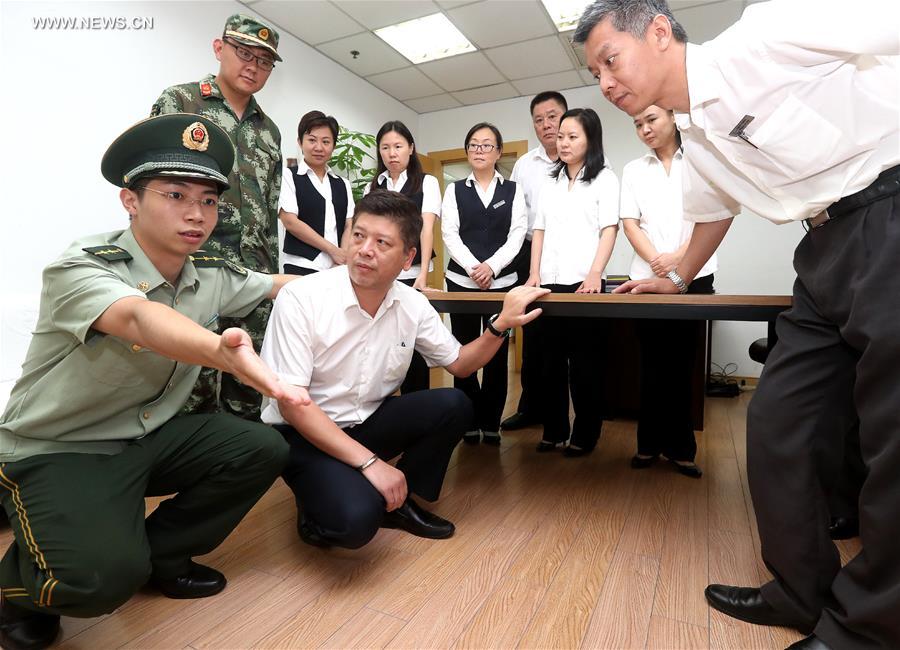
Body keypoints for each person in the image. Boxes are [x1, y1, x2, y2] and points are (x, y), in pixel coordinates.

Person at [576, 0, 900, 647]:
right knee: (777, 419)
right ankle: (803, 591)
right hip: (820, 250)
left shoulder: (765, 32)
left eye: (610, 60)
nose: (606, 84)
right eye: (596, 74)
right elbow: (711, 215)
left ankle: (870, 628)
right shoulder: (695, 136)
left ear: (660, 32)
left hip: (888, 213)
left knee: (892, 434)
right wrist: (670, 277)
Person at [0, 114, 307, 650]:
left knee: (260, 446)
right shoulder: (82, 266)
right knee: (96, 582)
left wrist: (363, 275)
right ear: (130, 200)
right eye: (175, 194)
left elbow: (276, 284)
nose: (196, 214)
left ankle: (159, 556)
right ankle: (17, 591)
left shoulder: (208, 270)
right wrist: (220, 352)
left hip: (146, 435)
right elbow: (140, 321)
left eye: (209, 200)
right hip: (59, 445)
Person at [260, 190, 548, 549]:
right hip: (304, 432)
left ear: (408, 257)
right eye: (359, 236)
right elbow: (292, 404)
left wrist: (500, 323)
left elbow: (460, 364)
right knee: (354, 524)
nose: (365, 250)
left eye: (382, 243)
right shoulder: (302, 298)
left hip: (365, 421)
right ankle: (322, 500)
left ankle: (397, 500)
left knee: (454, 404)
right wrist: (370, 465)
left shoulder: (413, 304)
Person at [151, 14, 284, 421]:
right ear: (219, 48)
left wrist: (271, 275)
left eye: (264, 61)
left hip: (254, 275)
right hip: (195, 269)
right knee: (191, 384)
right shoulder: (182, 102)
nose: (252, 66)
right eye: (244, 53)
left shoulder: (270, 131)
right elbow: (154, 184)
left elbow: (270, 208)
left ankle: (236, 474)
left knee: (248, 383)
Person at [620, 104, 717, 478]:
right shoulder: (633, 169)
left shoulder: (700, 160)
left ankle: (681, 449)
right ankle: (647, 446)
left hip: (697, 275)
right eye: (637, 124)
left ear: (674, 117)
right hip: (646, 279)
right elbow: (630, 223)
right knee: (650, 365)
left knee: (683, 366)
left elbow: (711, 218)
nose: (644, 128)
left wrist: (679, 260)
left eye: (651, 119)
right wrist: (657, 261)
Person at [526, 107, 619, 457]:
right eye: (560, 136)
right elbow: (539, 230)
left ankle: (586, 433)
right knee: (548, 364)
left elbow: (609, 228)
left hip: (585, 284)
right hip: (546, 284)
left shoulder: (605, 178)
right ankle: (553, 429)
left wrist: (595, 272)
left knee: (585, 365)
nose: (562, 142)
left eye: (571, 136)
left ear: (590, 139)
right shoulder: (550, 180)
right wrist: (534, 274)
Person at [441, 123, 527, 446]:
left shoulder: (513, 190)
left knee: (495, 352)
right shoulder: (455, 190)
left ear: (498, 152)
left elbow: (518, 234)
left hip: (501, 284)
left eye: (486, 145)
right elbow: (449, 233)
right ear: (467, 152)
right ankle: (467, 420)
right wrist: (475, 267)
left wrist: (492, 266)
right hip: (461, 283)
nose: (479, 150)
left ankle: (490, 421)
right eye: (474, 145)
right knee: (462, 351)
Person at [501, 91, 567, 432]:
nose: (546, 125)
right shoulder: (525, 165)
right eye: (539, 119)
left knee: (562, 338)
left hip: (569, 255)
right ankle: (530, 408)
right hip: (529, 254)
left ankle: (561, 417)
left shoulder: (583, 157)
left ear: (566, 117)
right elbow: (516, 218)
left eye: (552, 116)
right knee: (533, 334)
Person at [364, 120, 442, 393]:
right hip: (380, 276)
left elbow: (427, 227)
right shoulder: (373, 186)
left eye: (398, 146)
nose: (391, 153)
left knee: (413, 345)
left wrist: (422, 274)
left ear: (411, 148)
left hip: (412, 274)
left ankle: (417, 406)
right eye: (385, 147)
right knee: (381, 343)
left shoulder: (426, 182)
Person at [279, 110, 355, 276]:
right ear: (300, 142)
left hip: (337, 268)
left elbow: (349, 224)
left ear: (333, 145)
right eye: (312, 140)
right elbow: (290, 221)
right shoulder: (288, 176)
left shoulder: (343, 184)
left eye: (326, 142)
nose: (319, 147)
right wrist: (332, 250)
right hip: (300, 265)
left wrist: (341, 257)